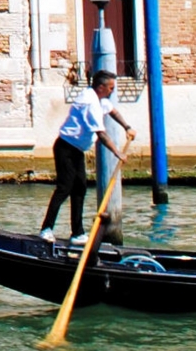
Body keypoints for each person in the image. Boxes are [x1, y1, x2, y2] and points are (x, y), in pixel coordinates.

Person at [39, 69, 133, 244]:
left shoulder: (98, 99)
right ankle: (46, 229)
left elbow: (112, 111)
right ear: (101, 87)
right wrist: (116, 152)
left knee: (80, 188)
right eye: (111, 88)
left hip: (76, 150)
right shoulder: (90, 103)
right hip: (65, 148)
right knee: (64, 188)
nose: (112, 91)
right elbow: (101, 134)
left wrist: (127, 127)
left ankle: (77, 233)